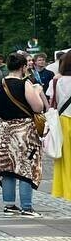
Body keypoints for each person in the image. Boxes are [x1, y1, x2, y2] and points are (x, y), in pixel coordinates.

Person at [0, 52, 46, 216]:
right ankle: (26, 206)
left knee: (7, 166)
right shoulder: (25, 84)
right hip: (24, 130)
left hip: (3, 129)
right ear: (23, 67)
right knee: (26, 167)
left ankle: (9, 204)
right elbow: (38, 107)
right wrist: (37, 90)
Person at [50, 51, 71, 201]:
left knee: (66, 159)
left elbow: (54, 101)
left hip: (64, 120)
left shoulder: (58, 81)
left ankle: (67, 189)